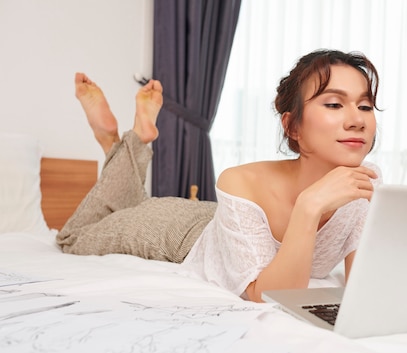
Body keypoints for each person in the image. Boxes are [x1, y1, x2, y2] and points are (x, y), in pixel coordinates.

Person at [58, 49, 382, 302]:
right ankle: (131, 139)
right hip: (181, 233)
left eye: (365, 107)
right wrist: (310, 206)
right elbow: (267, 295)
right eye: (335, 104)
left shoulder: (365, 184)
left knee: (130, 202)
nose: (357, 120)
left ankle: (124, 142)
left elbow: (363, 284)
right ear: (292, 126)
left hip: (232, 225)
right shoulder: (240, 181)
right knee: (75, 236)